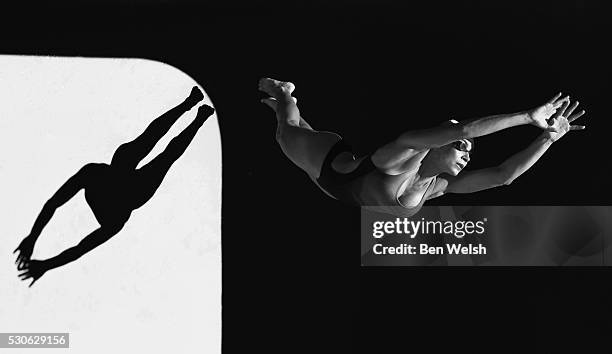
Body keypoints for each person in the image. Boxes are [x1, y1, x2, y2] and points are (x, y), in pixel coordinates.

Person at [258, 77, 586, 216]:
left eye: (469, 152)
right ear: (440, 142)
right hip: (333, 170)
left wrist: (548, 138)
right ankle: (286, 93)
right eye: (460, 146)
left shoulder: (438, 187)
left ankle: (288, 106)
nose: (467, 153)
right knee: (286, 131)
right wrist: (526, 117)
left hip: (338, 195)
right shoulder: (404, 155)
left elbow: (503, 175)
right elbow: (469, 128)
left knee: (298, 131)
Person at [14, 87, 214, 286]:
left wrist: (35, 242)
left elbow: (58, 211)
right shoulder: (108, 208)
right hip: (130, 194)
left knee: (156, 146)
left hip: (125, 191)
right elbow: (75, 242)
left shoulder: (95, 178)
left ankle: (193, 109)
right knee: (162, 152)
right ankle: (196, 114)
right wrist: (37, 248)